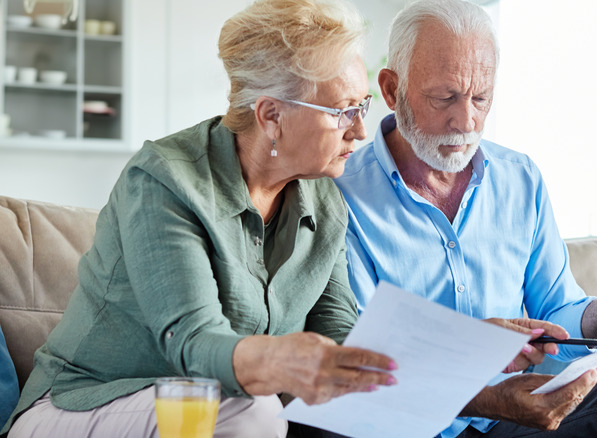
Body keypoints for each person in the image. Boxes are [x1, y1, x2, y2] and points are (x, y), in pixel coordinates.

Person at [2, 1, 399, 437]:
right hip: (79, 405)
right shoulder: (165, 179)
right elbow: (191, 342)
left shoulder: (324, 199)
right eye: (343, 111)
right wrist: (280, 361)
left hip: (217, 408)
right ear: (272, 115)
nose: (360, 130)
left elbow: (338, 328)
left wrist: (398, 367)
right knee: (251, 411)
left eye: (363, 105)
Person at [334, 0, 597, 436]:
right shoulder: (342, 196)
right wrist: (472, 350)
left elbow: (556, 314)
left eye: (481, 97)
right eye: (445, 97)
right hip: (409, 422)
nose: (466, 120)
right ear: (392, 90)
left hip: (512, 421)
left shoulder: (520, 179)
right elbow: (357, 353)